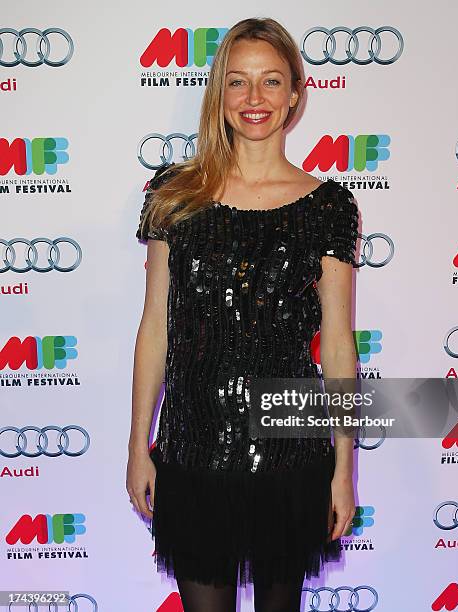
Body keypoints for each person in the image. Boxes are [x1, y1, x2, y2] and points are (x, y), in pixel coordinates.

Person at [127, 16, 359, 612]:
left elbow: (337, 345)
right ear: (219, 94)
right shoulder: (175, 196)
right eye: (238, 82)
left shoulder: (327, 206)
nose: (254, 99)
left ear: (295, 96)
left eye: (271, 82)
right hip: (192, 451)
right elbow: (155, 330)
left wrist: (343, 467)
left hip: (291, 454)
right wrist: (138, 446)